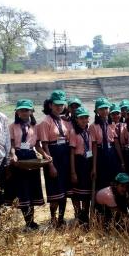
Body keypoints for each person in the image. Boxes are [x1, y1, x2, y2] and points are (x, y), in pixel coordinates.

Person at [6, 99, 49, 230]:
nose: (25, 112)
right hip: (19, 159)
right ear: (17, 112)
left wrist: (45, 154)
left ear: (31, 111)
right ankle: (28, 222)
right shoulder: (12, 126)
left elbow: (37, 145)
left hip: (31, 157)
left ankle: (32, 221)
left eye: (27, 110)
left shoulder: (35, 127)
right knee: (22, 190)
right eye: (22, 110)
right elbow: (12, 144)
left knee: (31, 189)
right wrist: (13, 154)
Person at [38, 90, 71, 227]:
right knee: (55, 192)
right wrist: (50, 164)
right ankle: (53, 218)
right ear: (50, 105)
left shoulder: (63, 120)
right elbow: (44, 145)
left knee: (63, 191)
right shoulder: (45, 122)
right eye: (56, 105)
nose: (59, 107)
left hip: (65, 157)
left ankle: (61, 219)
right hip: (53, 156)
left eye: (61, 105)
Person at [89, 97, 125, 190]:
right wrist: (94, 167)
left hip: (112, 154)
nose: (104, 111)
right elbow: (94, 147)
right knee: (102, 182)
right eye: (101, 109)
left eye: (106, 108)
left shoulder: (112, 124)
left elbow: (116, 143)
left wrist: (121, 161)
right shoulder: (93, 126)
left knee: (114, 181)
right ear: (96, 111)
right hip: (101, 155)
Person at [69, 106, 96, 225]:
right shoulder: (74, 132)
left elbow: (93, 147)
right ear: (76, 119)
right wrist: (73, 171)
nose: (84, 120)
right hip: (78, 161)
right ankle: (78, 212)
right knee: (76, 191)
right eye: (81, 118)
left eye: (86, 117)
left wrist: (93, 167)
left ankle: (84, 214)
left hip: (88, 162)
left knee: (86, 191)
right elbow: (72, 153)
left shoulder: (90, 131)